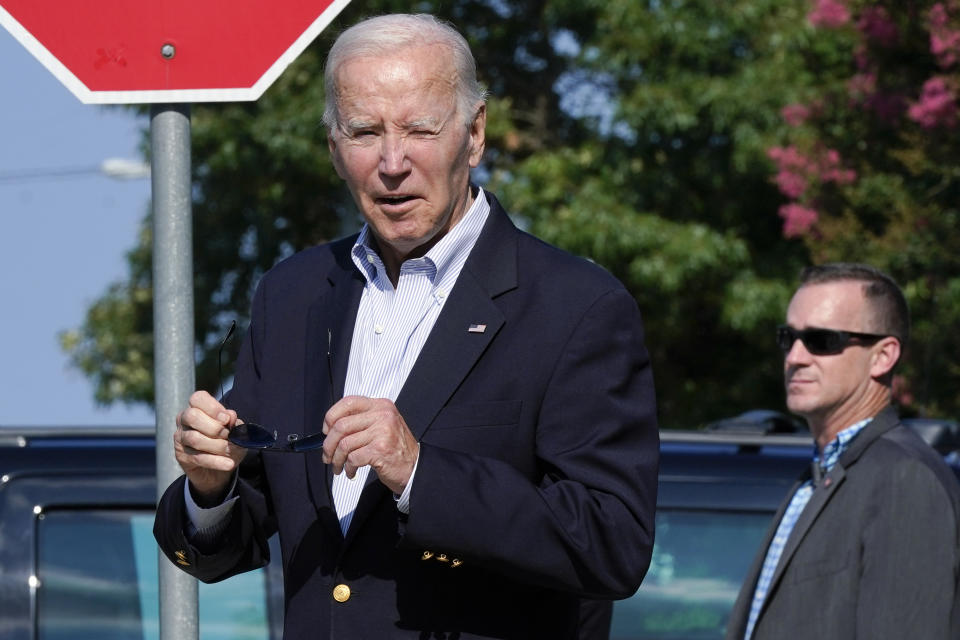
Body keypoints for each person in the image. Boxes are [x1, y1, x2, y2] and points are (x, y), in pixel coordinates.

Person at [153, 13, 659, 639]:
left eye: (420, 128)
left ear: (474, 135)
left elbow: (613, 545)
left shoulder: (574, 305)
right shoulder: (293, 294)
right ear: (334, 149)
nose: (393, 162)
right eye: (365, 132)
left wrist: (420, 471)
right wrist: (211, 486)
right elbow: (229, 545)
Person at [725, 263, 960, 640]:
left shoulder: (905, 480)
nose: (796, 357)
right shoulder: (817, 477)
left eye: (822, 340)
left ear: (883, 356)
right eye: (789, 338)